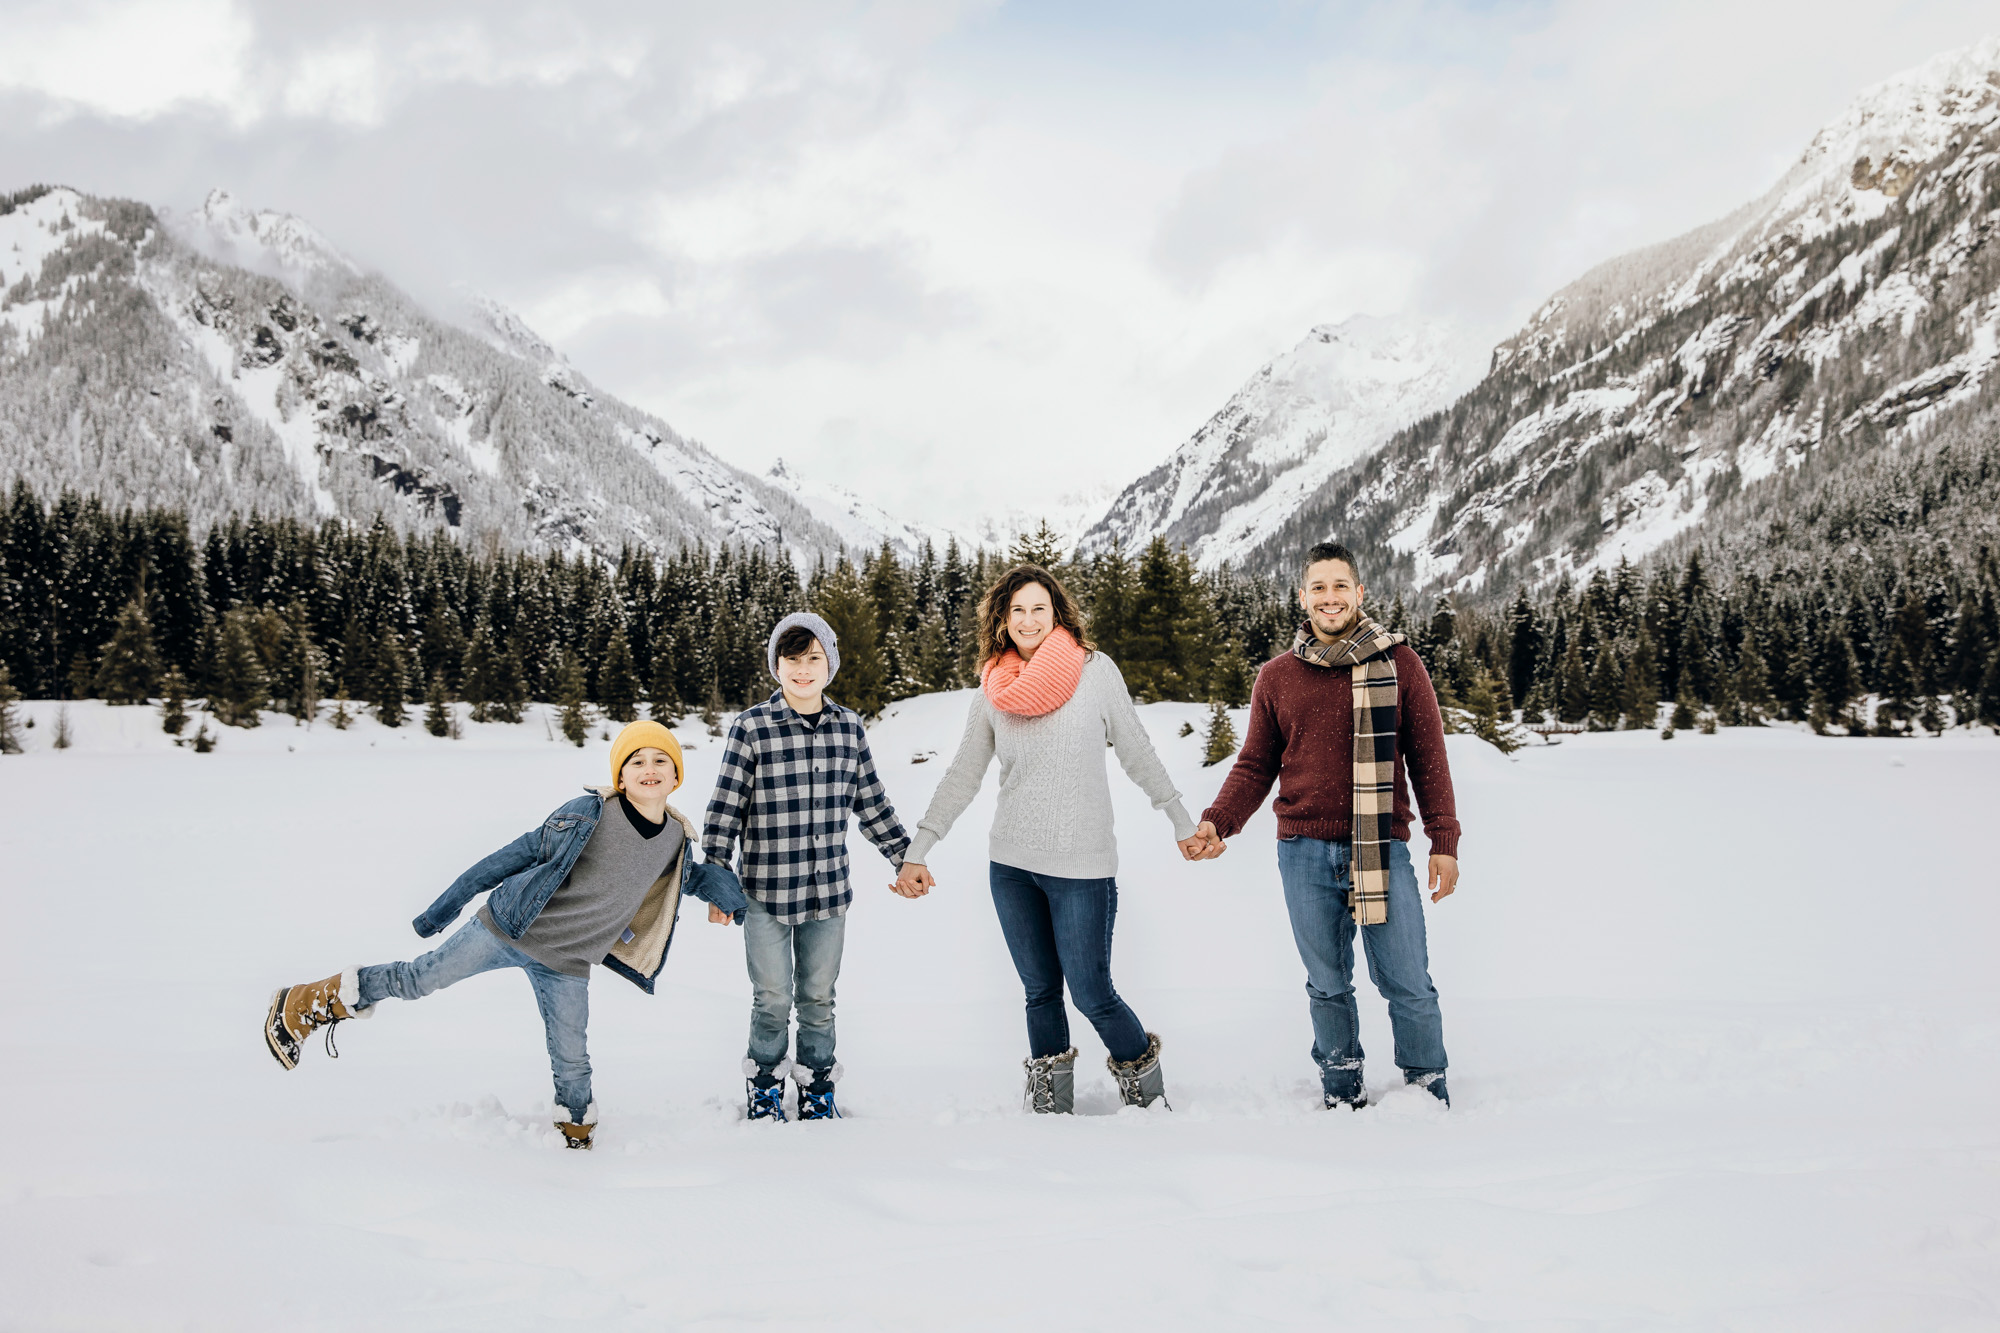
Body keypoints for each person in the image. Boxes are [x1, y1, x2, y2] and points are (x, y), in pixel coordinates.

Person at [263, 720, 749, 1150]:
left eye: (661, 760)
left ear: (677, 776)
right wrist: (443, 909)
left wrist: (728, 893)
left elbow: (691, 878)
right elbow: (513, 856)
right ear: (620, 776)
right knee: (420, 979)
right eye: (636, 760)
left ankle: (577, 1129)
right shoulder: (589, 813)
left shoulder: (674, 841)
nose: (649, 768)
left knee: (572, 1054)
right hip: (508, 928)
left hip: (569, 962)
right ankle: (315, 999)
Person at [894, 564, 1207, 1114]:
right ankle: (1050, 1103)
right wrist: (919, 847)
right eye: (1017, 610)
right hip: (1011, 866)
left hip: (1082, 868)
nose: (1029, 619)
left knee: (1092, 993)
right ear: (1002, 620)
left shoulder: (1095, 671)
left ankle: (1145, 1089)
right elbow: (963, 773)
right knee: (1039, 993)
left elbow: (1136, 750)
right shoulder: (994, 687)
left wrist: (1180, 819)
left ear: (1057, 613)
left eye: (1039, 608)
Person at [1186, 541, 1461, 1109]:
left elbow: (1428, 756)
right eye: (1319, 587)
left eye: (1340, 586)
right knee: (1327, 984)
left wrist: (1444, 839)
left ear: (1359, 594)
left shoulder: (1399, 663)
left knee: (1408, 981)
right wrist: (1219, 821)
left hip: (1382, 846)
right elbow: (1256, 764)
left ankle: (1427, 1089)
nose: (1329, 597)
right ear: (1303, 597)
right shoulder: (1277, 676)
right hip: (1304, 851)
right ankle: (1341, 1091)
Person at [703, 612, 911, 1122]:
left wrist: (907, 859)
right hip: (764, 893)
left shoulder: (848, 727)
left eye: (813, 658)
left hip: (827, 893)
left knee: (818, 998)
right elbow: (725, 807)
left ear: (830, 664)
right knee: (772, 998)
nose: (802, 670)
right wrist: (715, 881)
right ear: (776, 666)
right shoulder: (751, 727)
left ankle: (818, 1086)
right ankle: (766, 1084)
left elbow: (872, 803)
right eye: (792, 659)